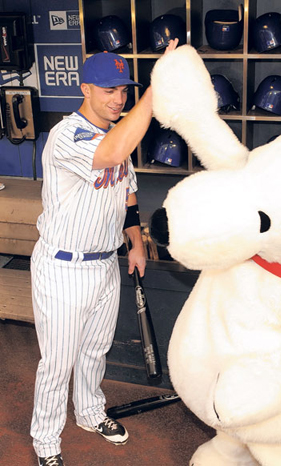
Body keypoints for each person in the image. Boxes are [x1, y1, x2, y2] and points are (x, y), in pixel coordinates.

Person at [30, 39, 179, 466]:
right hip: (63, 267)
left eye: (124, 90)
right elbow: (112, 153)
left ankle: (90, 412)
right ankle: (46, 442)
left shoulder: (116, 134)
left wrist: (134, 241)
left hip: (105, 264)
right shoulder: (67, 135)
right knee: (57, 365)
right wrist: (156, 88)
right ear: (85, 89)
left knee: (96, 351)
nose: (118, 98)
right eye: (109, 89)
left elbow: (127, 191)